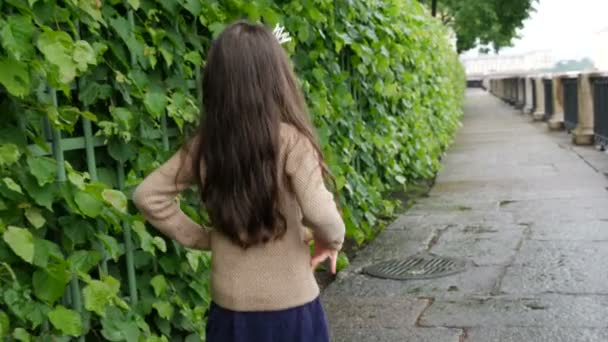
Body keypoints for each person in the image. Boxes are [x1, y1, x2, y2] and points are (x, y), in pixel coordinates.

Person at [132, 20, 345, 342]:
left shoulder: (205, 144)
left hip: (229, 314)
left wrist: (204, 238)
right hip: (292, 309)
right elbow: (322, 214)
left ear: (217, 81)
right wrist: (331, 241)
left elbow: (148, 195)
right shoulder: (291, 141)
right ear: (277, 77)